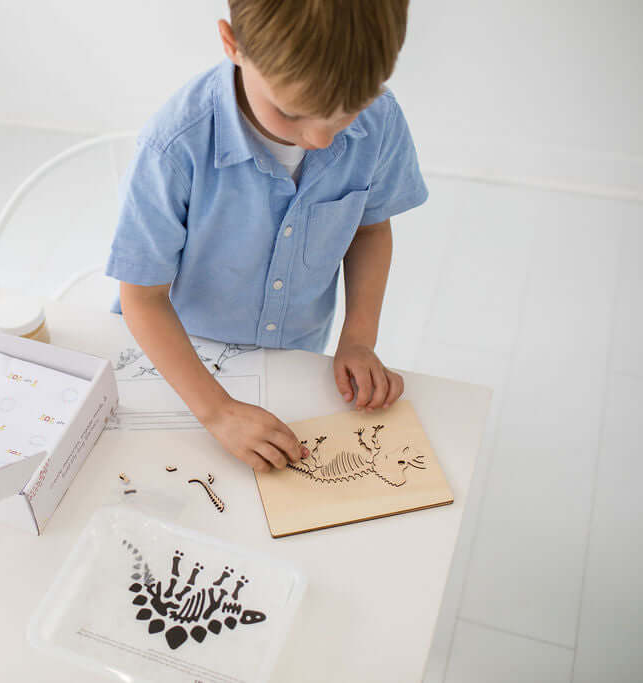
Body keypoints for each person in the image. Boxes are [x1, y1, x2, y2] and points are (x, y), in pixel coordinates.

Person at [106, 0, 427, 472]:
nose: (321, 139)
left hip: (292, 355)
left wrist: (359, 339)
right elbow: (142, 298)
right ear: (233, 44)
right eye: (292, 113)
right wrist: (217, 411)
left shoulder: (381, 118)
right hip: (178, 362)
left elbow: (370, 228)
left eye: (347, 114)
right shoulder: (174, 146)